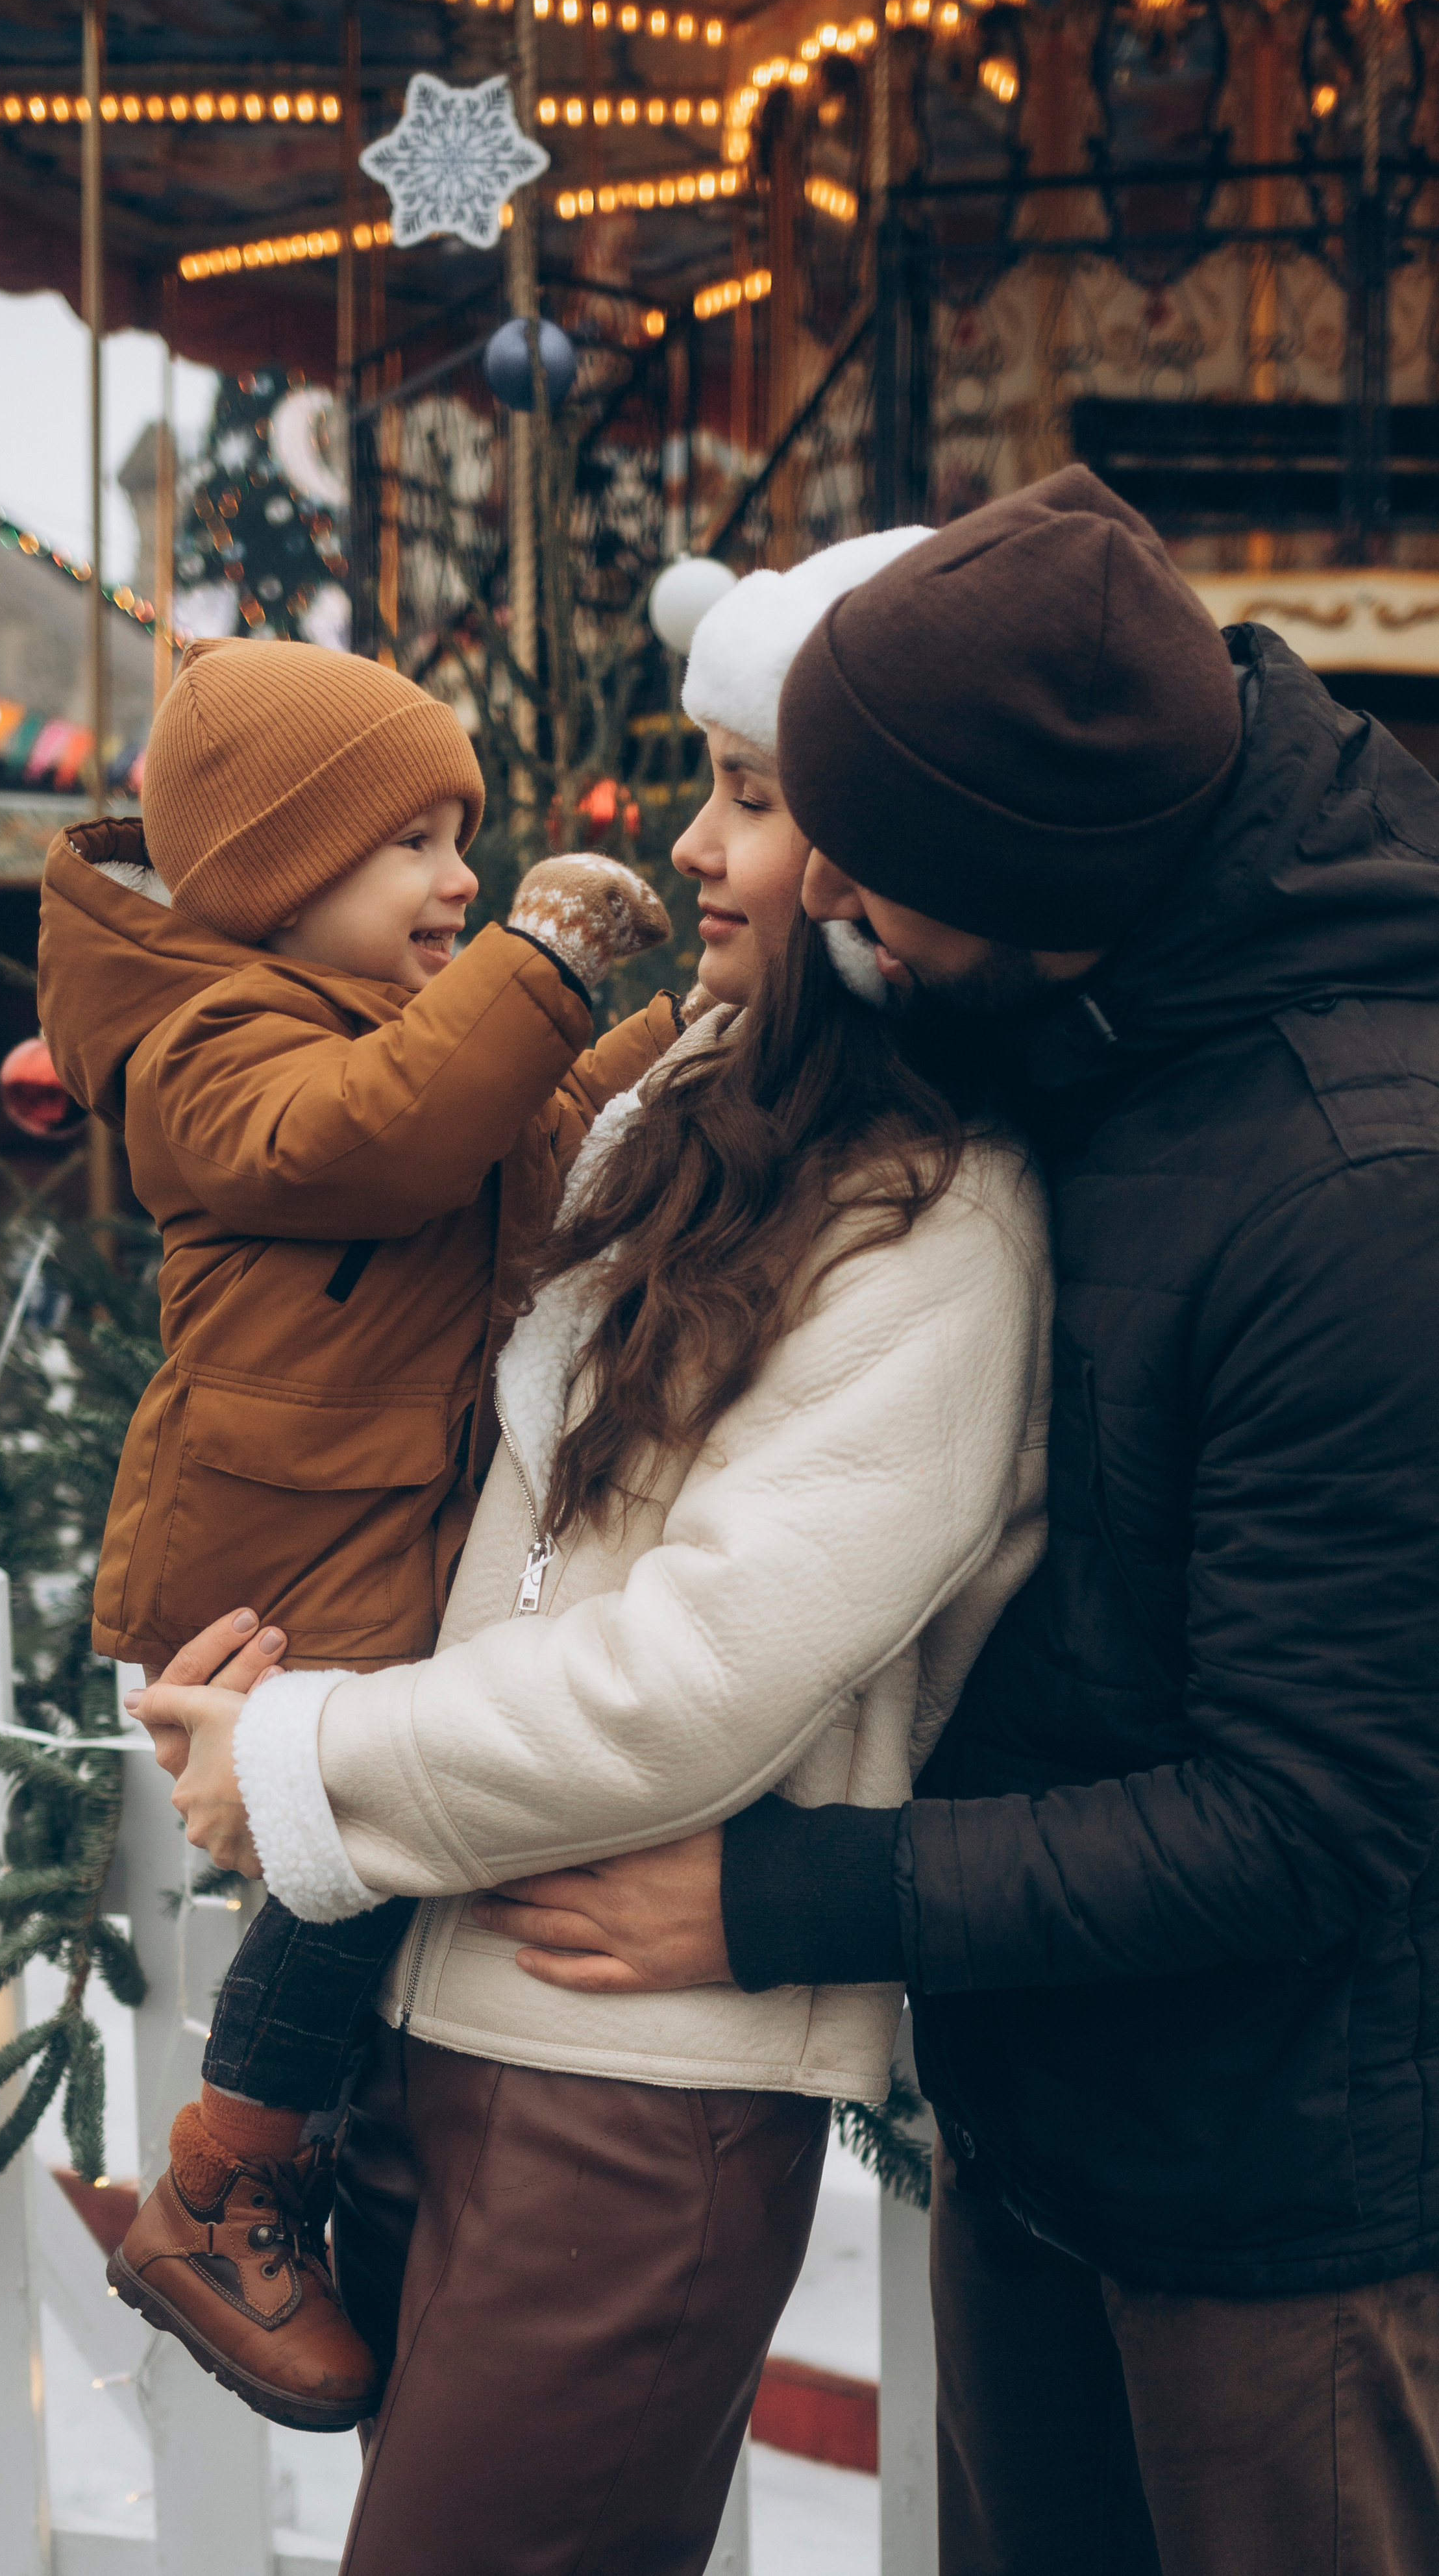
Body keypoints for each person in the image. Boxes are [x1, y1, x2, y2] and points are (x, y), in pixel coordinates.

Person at [471, 467, 1439, 2576]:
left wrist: (777, 1899)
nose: (818, 902)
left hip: (1285, 2220)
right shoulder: (1075, 1021)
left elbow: (1309, 1814)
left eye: (868, 869)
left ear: (1032, 870)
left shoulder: (1358, 1188)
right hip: (1048, 2130)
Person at [129, 523, 1055, 2576]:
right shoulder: (677, 1114)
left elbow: (714, 1665)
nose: (694, 851)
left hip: (634, 2084)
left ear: (880, 845)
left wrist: (312, 1770)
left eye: (749, 798)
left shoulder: (943, 1217)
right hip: (444, 2013)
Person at [38, 636, 671, 2431]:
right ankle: (219, 2184)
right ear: (268, 875)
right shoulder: (210, 1046)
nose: (458, 880)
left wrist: (683, 1034)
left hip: (378, 1538)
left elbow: (538, 1130)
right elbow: (370, 1148)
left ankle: (285, 2162)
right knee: (349, 1859)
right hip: (275, 1566)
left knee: (380, 1861)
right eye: (411, 843)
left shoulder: (401, 1035)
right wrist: (533, 960)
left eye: (465, 839)